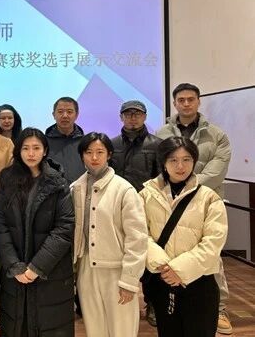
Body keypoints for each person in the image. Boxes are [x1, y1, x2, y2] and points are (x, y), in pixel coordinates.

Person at [156, 82, 233, 335]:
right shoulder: (162, 133)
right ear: (174, 103)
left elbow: (217, 169)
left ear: (199, 101)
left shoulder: (216, 135)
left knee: (210, 257)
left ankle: (219, 308)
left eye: (191, 99)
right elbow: (158, 165)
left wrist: (189, 184)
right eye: (181, 100)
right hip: (169, 201)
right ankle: (163, 304)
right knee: (169, 250)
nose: (186, 103)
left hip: (204, 201)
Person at [139, 136, 228, 337]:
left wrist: (179, 270)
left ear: (194, 161)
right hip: (162, 280)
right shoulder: (146, 195)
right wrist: (164, 267)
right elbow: (140, 235)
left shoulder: (209, 197)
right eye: (173, 160)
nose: (180, 166)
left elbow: (214, 242)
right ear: (163, 162)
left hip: (199, 282)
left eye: (186, 159)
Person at [0, 128, 75, 336]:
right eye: (26, 148)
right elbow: (0, 224)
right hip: (15, 273)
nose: (31, 153)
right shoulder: (7, 180)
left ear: (45, 151)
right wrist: (14, 265)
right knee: (17, 326)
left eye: (36, 148)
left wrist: (37, 267)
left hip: (50, 272)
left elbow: (64, 228)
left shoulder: (58, 183)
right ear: (18, 151)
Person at [73, 132, 148, 337]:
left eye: (100, 152)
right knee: (94, 329)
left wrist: (129, 280)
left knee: (122, 330)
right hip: (86, 269)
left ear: (109, 154)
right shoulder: (75, 188)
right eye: (88, 152)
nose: (94, 157)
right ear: (82, 155)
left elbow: (137, 238)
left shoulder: (124, 189)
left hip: (116, 269)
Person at [111, 100, 161, 192]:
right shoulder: (112, 144)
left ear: (145, 117)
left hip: (148, 196)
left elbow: (162, 177)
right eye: (128, 114)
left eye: (138, 114)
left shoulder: (157, 144)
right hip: (118, 196)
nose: (133, 118)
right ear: (121, 117)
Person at [45, 96, 85, 184]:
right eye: (60, 112)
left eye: (69, 112)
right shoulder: (43, 143)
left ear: (76, 115)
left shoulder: (85, 142)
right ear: (53, 115)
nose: (65, 115)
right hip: (52, 190)